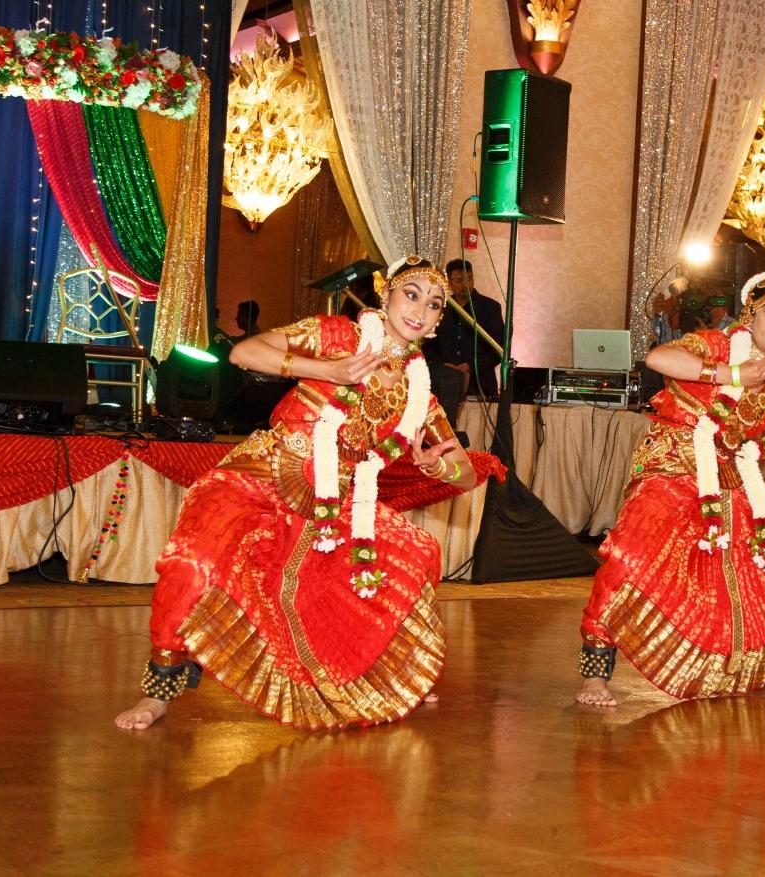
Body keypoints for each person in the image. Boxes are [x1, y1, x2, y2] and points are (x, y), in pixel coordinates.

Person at [116, 257, 499, 731]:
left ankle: (383, 680)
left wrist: (436, 464)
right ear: (387, 296)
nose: (420, 309)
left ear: (441, 321)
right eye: (411, 293)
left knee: (409, 555)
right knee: (191, 564)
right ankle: (160, 690)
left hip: (333, 503)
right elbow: (244, 353)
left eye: (435, 304)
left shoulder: (419, 394)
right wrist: (328, 371)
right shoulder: (338, 336)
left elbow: (463, 472)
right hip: (263, 475)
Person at [575, 271, 765, 706]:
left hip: (727, 478)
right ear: (750, 317)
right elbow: (658, 359)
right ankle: (595, 673)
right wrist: (731, 373)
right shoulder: (717, 345)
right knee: (628, 561)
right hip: (668, 468)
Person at [431, 259, 505, 397]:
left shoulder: (490, 307)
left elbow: (498, 349)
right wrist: (443, 366)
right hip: (444, 383)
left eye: (469, 278)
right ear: (450, 282)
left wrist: (471, 366)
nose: (465, 284)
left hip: (480, 385)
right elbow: (431, 344)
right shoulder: (441, 307)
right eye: (459, 280)